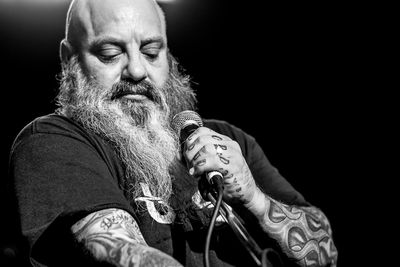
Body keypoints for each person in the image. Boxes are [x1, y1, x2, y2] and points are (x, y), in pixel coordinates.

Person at [8, 0, 338, 266]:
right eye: (111, 53)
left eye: (151, 52)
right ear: (70, 59)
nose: (137, 70)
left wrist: (255, 198)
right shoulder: (51, 140)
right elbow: (117, 251)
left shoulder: (228, 140)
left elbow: (325, 253)